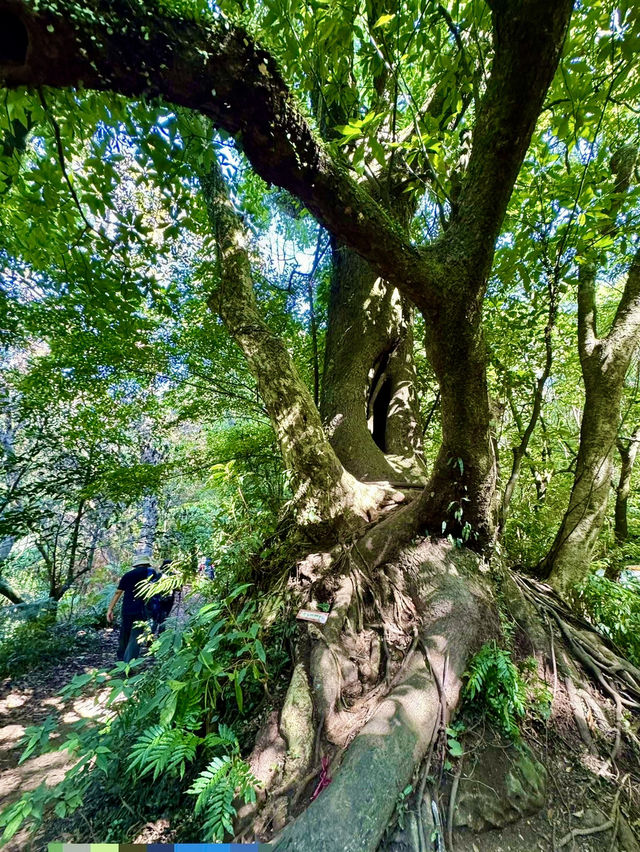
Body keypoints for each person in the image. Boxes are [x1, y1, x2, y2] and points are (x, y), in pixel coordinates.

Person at [106, 553, 157, 662]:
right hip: (142, 609)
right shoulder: (151, 574)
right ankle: (129, 662)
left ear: (136, 564)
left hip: (127, 609)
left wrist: (110, 609)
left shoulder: (128, 575)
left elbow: (118, 592)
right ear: (146, 564)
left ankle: (120, 658)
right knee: (136, 635)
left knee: (125, 633)